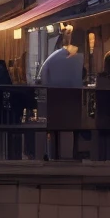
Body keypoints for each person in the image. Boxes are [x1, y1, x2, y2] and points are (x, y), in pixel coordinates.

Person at [38, 28, 86, 160]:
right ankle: (74, 153)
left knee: (55, 128)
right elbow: (81, 76)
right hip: (73, 99)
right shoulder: (76, 59)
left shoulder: (53, 59)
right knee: (74, 126)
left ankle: (54, 153)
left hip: (55, 99)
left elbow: (43, 77)